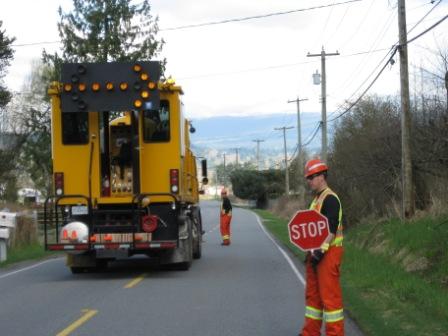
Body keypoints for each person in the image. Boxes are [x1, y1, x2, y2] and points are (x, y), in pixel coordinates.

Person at [299, 158, 344, 336]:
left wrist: (320, 251)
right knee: (313, 299)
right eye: (307, 178)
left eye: (311, 177)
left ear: (321, 176)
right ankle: (310, 332)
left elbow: (331, 228)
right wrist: (311, 252)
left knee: (330, 301)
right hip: (315, 256)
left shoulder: (331, 199)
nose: (308, 181)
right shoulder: (317, 199)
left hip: (328, 255)